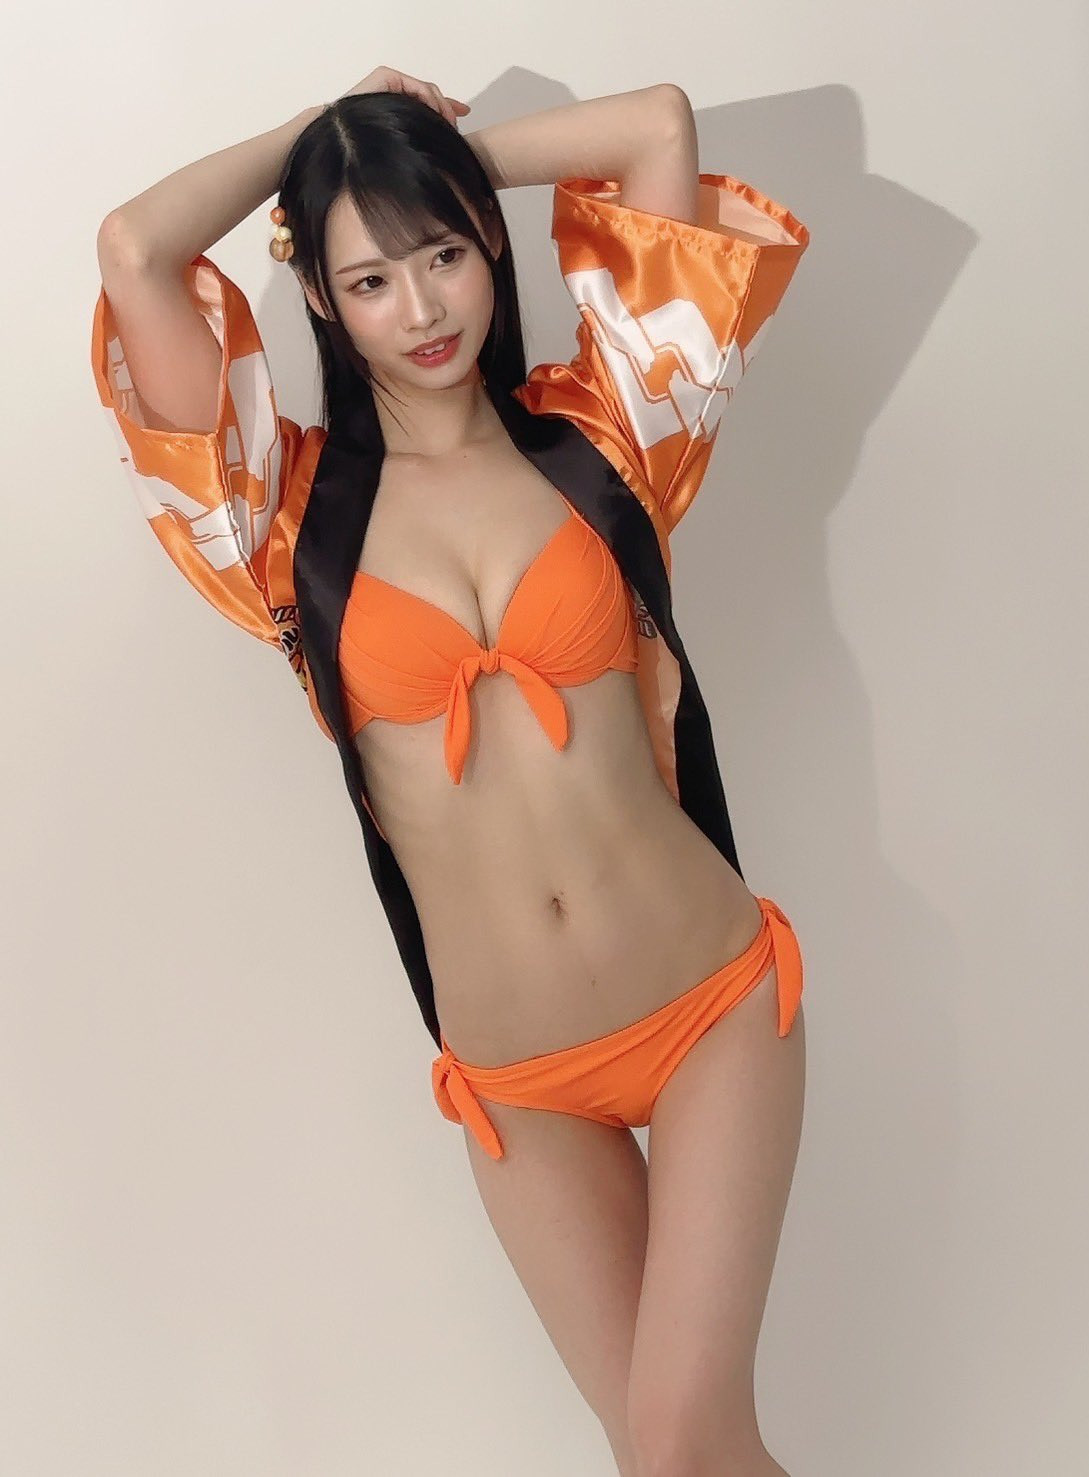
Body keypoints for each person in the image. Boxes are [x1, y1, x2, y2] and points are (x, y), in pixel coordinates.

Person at [91, 68, 811, 1476]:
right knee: (669, 1460)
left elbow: (658, 126)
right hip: (519, 1082)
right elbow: (134, 248)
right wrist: (326, 146)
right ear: (320, 297)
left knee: (684, 1439)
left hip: (711, 1010)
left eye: (443, 254)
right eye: (369, 280)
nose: (421, 309)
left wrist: (424, 156)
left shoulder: (609, 436)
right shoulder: (284, 528)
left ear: (488, 242)